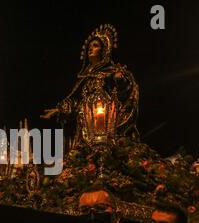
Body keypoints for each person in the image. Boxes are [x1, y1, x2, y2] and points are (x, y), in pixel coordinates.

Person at [41, 24, 139, 152]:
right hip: (85, 131)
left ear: (104, 50)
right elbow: (77, 102)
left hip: (106, 129)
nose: (90, 49)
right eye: (89, 46)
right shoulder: (85, 79)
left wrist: (120, 80)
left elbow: (124, 94)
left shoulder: (112, 73)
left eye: (95, 45)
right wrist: (59, 109)